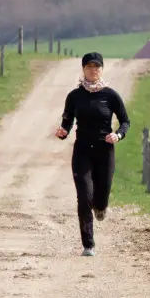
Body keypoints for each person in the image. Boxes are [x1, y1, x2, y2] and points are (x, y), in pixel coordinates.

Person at [55, 52, 130, 257]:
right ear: (83, 69)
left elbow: (125, 121)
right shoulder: (74, 96)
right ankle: (88, 244)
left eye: (97, 67)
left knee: (101, 196)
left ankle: (101, 206)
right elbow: (67, 121)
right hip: (82, 152)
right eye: (89, 66)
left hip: (105, 152)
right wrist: (63, 131)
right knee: (83, 196)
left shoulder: (111, 95)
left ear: (102, 70)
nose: (93, 70)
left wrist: (118, 135)